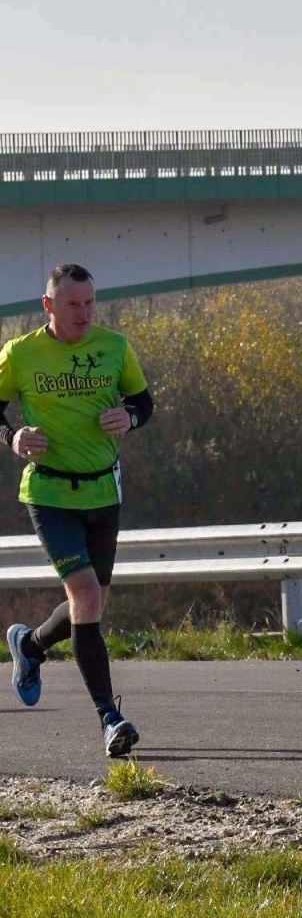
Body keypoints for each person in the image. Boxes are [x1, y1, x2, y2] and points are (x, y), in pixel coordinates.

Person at [0, 263, 154, 757]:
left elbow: (144, 401)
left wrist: (128, 417)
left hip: (103, 494)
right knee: (86, 596)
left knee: (91, 603)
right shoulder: (20, 355)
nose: (84, 313)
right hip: (48, 494)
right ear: (48, 305)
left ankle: (30, 645)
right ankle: (110, 717)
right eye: (72, 304)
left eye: (90, 303)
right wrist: (13, 436)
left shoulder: (114, 346)